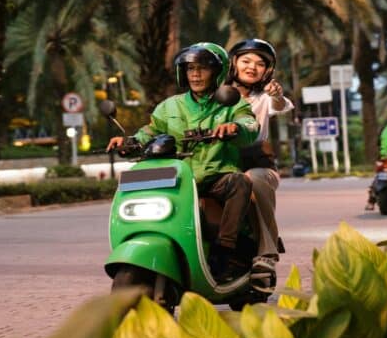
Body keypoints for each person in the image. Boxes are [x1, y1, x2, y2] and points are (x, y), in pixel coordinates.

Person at [106, 42, 260, 284]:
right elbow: (150, 131)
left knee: (239, 182)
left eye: (202, 68)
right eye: (190, 68)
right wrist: (129, 142)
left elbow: (250, 125)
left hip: (214, 176)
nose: (196, 74)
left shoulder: (231, 101)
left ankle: (224, 250)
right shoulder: (169, 106)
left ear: (217, 72)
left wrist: (235, 127)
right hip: (176, 178)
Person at [228, 38, 293, 290]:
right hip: (219, 162)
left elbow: (280, 105)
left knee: (252, 179)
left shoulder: (266, 96)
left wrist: (276, 94)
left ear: (267, 71)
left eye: (259, 64)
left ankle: (266, 253)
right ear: (234, 63)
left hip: (257, 163)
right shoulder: (216, 95)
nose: (251, 67)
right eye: (245, 61)